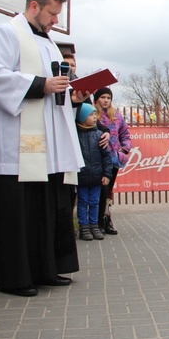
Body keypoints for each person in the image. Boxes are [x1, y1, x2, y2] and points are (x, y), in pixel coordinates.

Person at [0, 0, 88, 297]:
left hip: (46, 148)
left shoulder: (48, 42)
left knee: (46, 210)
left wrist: (74, 95)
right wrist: (41, 85)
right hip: (17, 145)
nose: (54, 21)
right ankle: (15, 277)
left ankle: (44, 269)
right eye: (52, 14)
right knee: (18, 213)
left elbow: (55, 88)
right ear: (34, 6)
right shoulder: (6, 34)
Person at [93, 87, 131, 235]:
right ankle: (96, 222)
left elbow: (126, 135)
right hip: (96, 159)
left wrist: (123, 150)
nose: (106, 100)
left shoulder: (117, 116)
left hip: (112, 159)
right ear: (97, 99)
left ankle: (107, 220)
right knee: (98, 191)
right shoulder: (91, 114)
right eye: (103, 97)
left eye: (108, 98)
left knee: (108, 191)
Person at [75, 103, 111, 241]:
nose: (95, 117)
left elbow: (106, 156)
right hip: (82, 176)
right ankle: (84, 227)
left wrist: (107, 174)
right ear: (82, 117)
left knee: (95, 201)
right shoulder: (76, 136)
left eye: (95, 114)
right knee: (83, 201)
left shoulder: (100, 135)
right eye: (91, 114)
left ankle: (94, 225)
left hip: (97, 176)